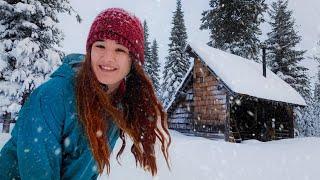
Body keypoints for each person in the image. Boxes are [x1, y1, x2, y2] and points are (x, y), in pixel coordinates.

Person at [0, 8, 171, 179]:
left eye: (120, 49)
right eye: (100, 46)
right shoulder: (53, 96)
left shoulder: (118, 105)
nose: (107, 58)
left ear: (132, 60)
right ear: (90, 51)